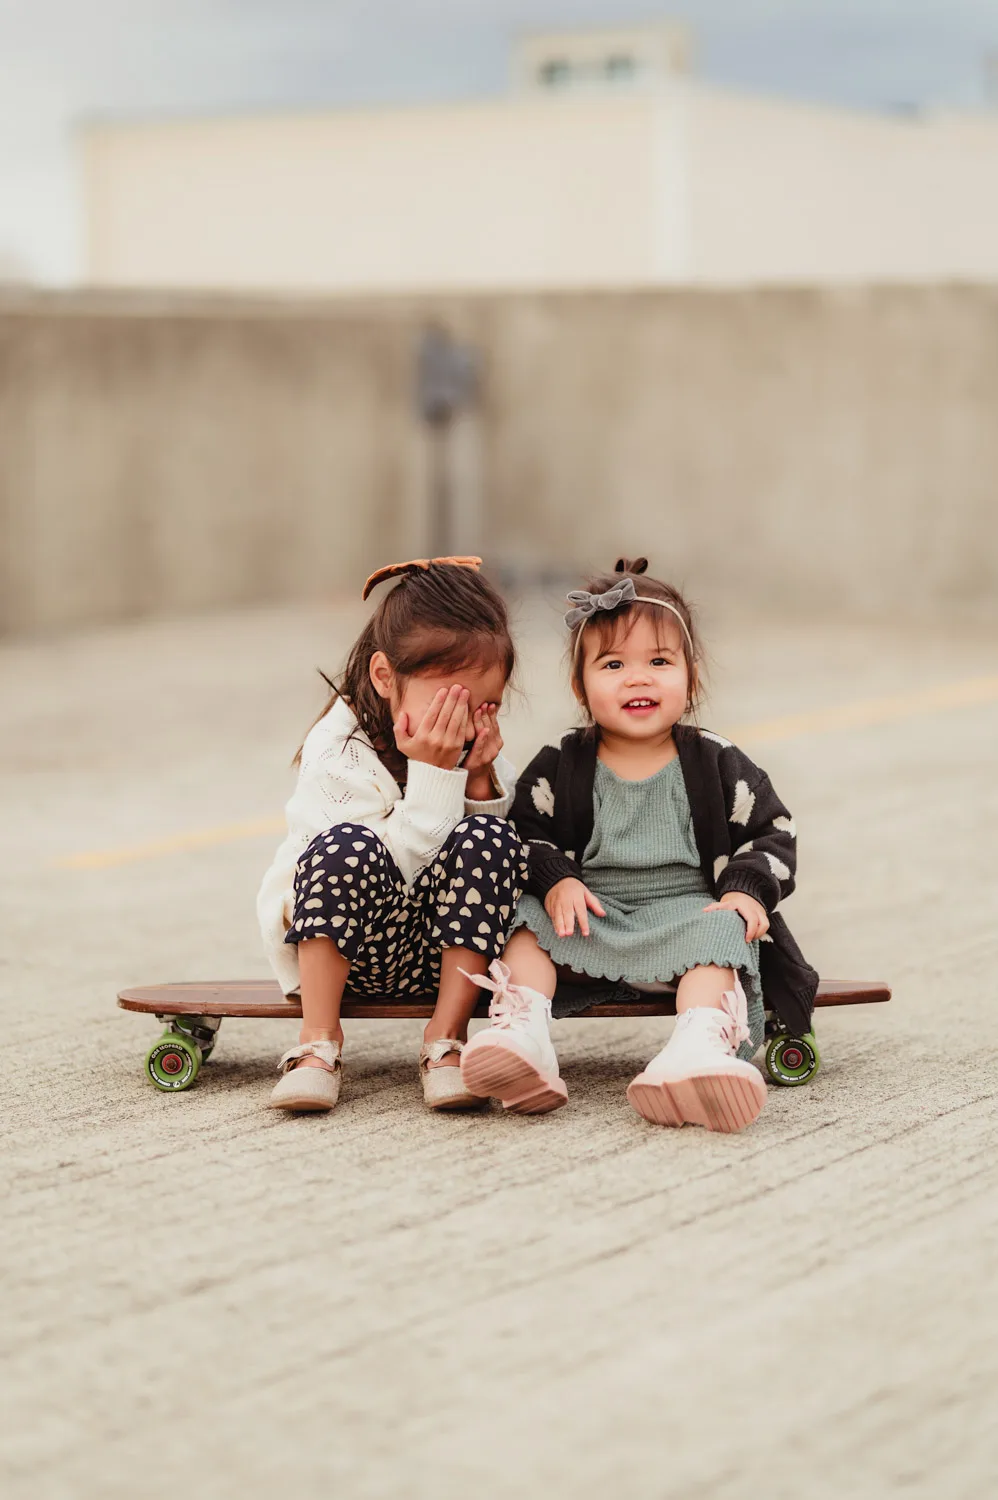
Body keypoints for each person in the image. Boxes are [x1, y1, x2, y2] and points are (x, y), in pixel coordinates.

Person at [459, 557, 818, 1133]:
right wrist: (558, 880)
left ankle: (698, 1046)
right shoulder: (562, 763)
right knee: (523, 921)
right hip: (590, 917)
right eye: (613, 664)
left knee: (725, 930)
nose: (638, 677)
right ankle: (523, 1038)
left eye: (659, 661)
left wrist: (749, 891)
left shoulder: (715, 761)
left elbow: (772, 830)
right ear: (581, 686)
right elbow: (524, 833)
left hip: (684, 917)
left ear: (690, 677)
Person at [257, 556, 525, 1114]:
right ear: (385, 677)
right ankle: (317, 1047)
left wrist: (475, 777)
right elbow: (384, 865)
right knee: (346, 847)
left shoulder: (461, 742)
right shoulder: (339, 751)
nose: (458, 722)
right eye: (444, 703)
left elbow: (482, 877)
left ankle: (446, 1043)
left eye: (482, 706)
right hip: (346, 955)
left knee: (494, 843)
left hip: (438, 955)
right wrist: (431, 774)